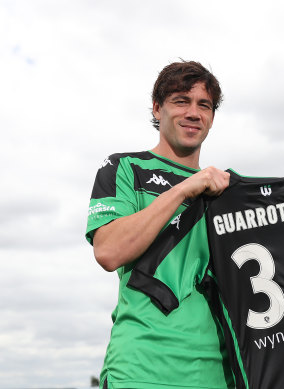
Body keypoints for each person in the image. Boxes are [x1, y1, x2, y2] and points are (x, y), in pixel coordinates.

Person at [86, 60, 234, 389]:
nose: (193, 113)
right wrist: (184, 189)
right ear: (157, 108)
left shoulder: (226, 193)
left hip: (214, 373)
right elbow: (108, 251)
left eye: (204, 105)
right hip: (139, 369)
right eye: (181, 101)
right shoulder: (124, 167)